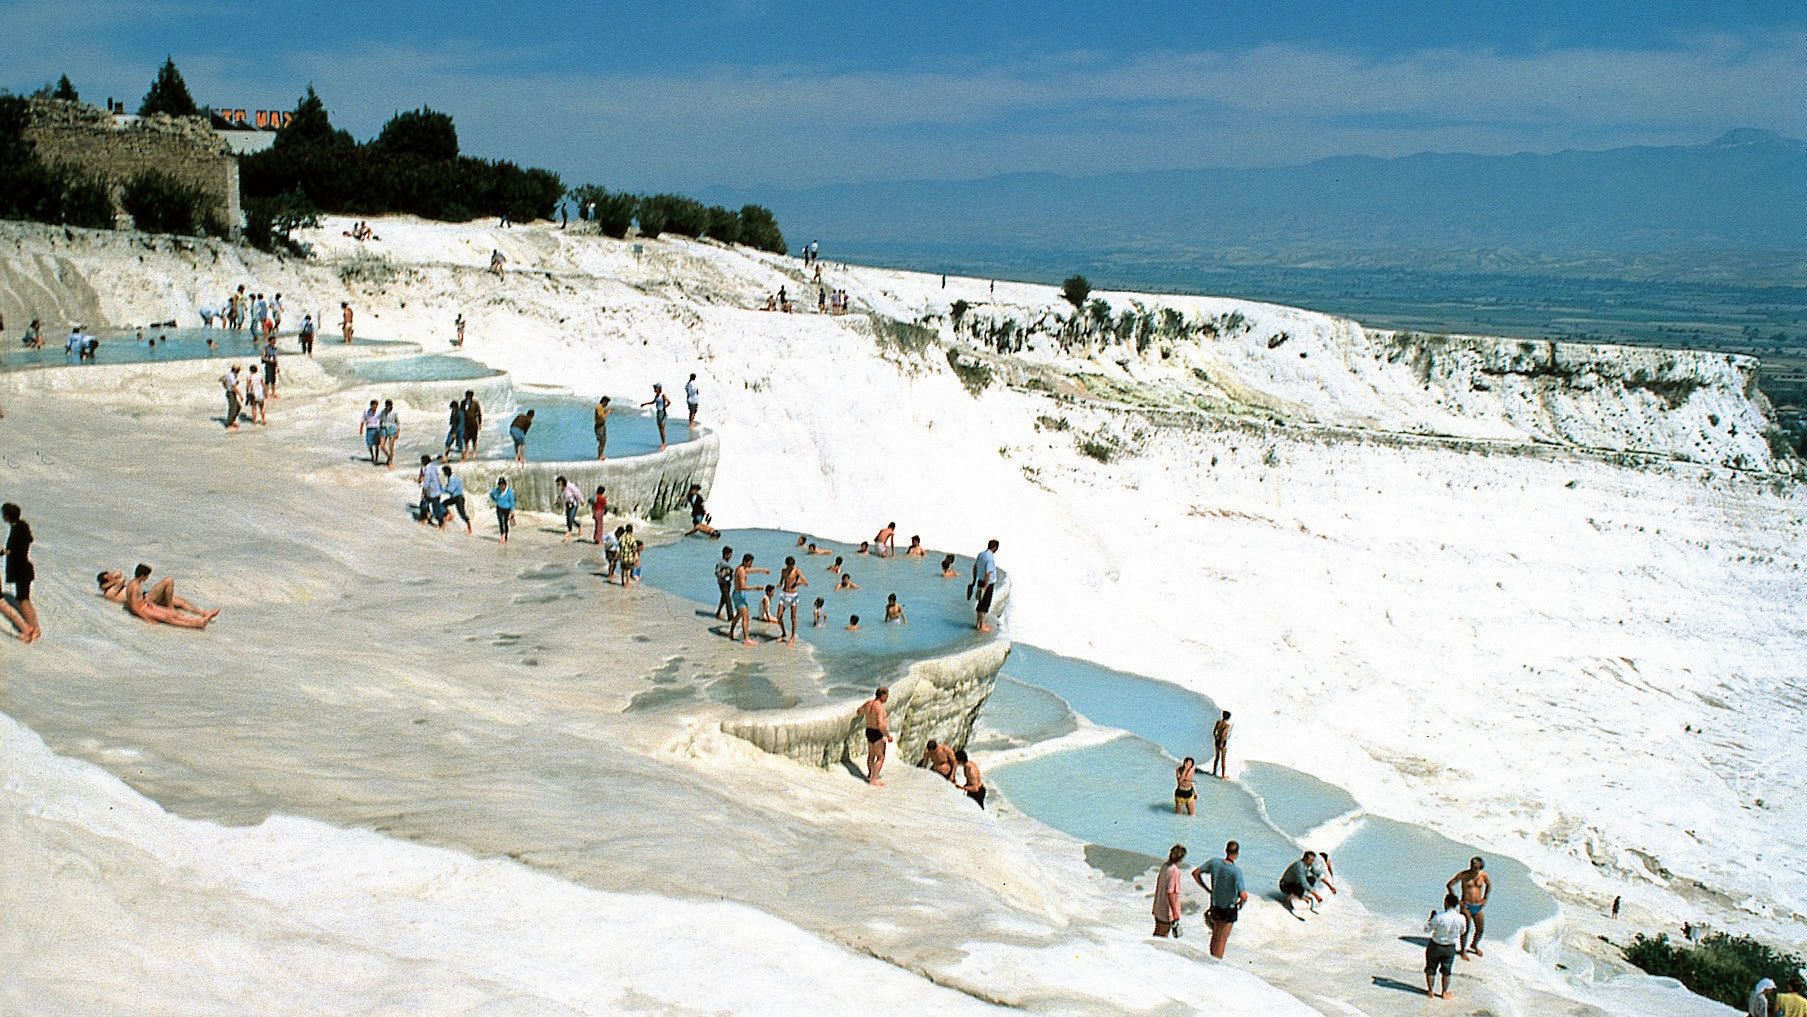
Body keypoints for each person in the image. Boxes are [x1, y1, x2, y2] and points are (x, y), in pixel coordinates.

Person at [1192, 841, 1249, 960]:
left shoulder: (1214, 863)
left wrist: (1207, 889)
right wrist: (1240, 904)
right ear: (1237, 854)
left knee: (1215, 936)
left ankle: (1210, 960)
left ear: (1226, 850)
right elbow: (1244, 896)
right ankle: (1216, 965)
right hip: (1229, 909)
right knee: (1222, 939)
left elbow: (1196, 873)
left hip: (1215, 906)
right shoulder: (1236, 872)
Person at [116, 563, 217, 629]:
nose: (148, 578)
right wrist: (146, 618)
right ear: (142, 575)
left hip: (145, 605)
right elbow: (134, 606)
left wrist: (151, 605)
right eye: (147, 576)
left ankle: (198, 620)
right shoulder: (133, 586)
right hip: (142, 609)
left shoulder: (136, 583)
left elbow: (138, 601)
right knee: (168, 617)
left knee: (171, 614)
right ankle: (197, 624)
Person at [1, 504, 41, 643]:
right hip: (24, 569)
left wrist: (6, 552)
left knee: (23, 600)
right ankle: (35, 628)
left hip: (21, 570)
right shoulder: (21, 527)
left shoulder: (18, 529)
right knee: (25, 599)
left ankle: (32, 629)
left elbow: (17, 550)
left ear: (7, 516)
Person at [1424, 893, 1469, 999]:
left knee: (1431, 968)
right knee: (1447, 971)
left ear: (1446, 903)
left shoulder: (1439, 917)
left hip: (1435, 945)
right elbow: (1463, 931)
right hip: (1450, 947)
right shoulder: (1461, 918)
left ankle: (1431, 991)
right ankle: (1444, 992)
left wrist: (1430, 919)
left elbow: (1427, 930)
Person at [1447, 857, 1492, 957]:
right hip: (1466, 905)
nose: (1472, 869)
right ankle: (1463, 950)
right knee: (1465, 929)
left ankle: (1474, 945)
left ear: (1480, 867)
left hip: (1478, 906)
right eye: (1471, 866)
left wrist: (1485, 898)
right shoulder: (1464, 875)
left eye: (1475, 868)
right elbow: (1450, 885)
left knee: (1480, 929)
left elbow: (1489, 885)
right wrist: (1456, 900)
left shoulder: (1483, 875)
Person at [728, 554, 769, 645]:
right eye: (750, 562)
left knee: (739, 615)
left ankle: (731, 632)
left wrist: (762, 570)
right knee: (745, 617)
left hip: (738, 595)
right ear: (746, 561)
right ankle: (746, 639)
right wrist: (756, 588)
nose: (751, 564)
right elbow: (742, 586)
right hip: (739, 595)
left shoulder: (741, 568)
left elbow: (751, 570)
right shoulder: (741, 571)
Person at [858, 688, 893, 785]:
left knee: (871, 756)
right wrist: (887, 735)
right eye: (887, 695)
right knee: (880, 757)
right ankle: (874, 779)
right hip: (877, 733)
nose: (887, 698)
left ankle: (871, 774)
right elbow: (880, 724)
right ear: (883, 695)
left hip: (869, 731)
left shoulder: (869, 703)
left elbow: (859, 711)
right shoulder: (880, 707)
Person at [1154, 845, 1188, 938]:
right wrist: (1175, 912)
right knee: (1163, 936)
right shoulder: (1174, 871)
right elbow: (1171, 892)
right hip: (1166, 909)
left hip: (1158, 905)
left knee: (1157, 932)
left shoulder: (1165, 866)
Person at [777, 555, 808, 644]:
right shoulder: (783, 571)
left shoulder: (797, 571)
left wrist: (798, 583)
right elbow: (781, 581)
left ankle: (792, 637)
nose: (790, 567)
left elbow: (805, 582)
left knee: (793, 617)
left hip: (793, 596)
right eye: (789, 566)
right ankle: (783, 633)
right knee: (779, 616)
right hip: (784, 594)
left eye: (791, 566)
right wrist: (779, 584)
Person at [1280, 851, 1318, 916]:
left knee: (1312, 879)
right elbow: (1303, 881)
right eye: (1310, 860)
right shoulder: (1299, 866)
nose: (1312, 862)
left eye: (1313, 860)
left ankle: (1299, 896)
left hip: (1294, 884)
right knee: (1303, 883)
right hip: (1285, 885)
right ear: (1305, 859)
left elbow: (1317, 872)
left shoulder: (1308, 864)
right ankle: (1287, 901)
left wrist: (1330, 886)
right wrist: (1315, 894)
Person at [973, 538, 1000, 632]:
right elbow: (988, 573)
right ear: (995, 548)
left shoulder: (981, 554)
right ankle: (982, 625)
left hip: (980, 581)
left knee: (980, 602)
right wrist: (985, 586)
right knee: (984, 604)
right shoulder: (990, 558)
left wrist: (973, 581)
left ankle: (978, 624)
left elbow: (975, 567)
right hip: (987, 583)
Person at [440, 466, 472, 533]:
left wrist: (441, 489)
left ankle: (469, 527)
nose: (443, 474)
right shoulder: (452, 478)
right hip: (456, 497)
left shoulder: (452, 478)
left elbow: (450, 490)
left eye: (444, 472)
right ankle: (449, 514)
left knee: (462, 513)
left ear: (447, 472)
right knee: (443, 503)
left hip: (458, 498)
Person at [642, 384, 670, 451]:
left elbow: (668, 402)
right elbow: (653, 402)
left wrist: (665, 407)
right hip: (658, 413)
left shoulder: (662, 395)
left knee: (662, 429)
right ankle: (664, 443)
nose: (654, 389)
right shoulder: (657, 396)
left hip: (662, 413)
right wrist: (645, 404)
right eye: (654, 388)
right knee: (661, 429)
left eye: (655, 388)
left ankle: (664, 444)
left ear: (659, 388)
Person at [418, 455, 446, 525]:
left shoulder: (427, 470)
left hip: (432, 492)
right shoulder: (433, 466)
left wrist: (423, 493)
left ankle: (439, 522)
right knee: (429, 505)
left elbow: (426, 483)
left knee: (426, 505)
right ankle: (428, 517)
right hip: (437, 490)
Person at [488, 477, 515, 544]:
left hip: (507, 509)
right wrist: (496, 500)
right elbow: (491, 494)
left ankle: (505, 536)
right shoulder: (497, 490)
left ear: (505, 485)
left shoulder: (509, 491)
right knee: (500, 522)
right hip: (499, 508)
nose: (501, 487)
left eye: (502, 485)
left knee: (505, 523)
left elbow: (512, 501)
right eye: (500, 485)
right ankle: (502, 536)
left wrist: (512, 511)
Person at [712, 546, 736, 620]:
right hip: (723, 583)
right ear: (726, 554)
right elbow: (717, 572)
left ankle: (718, 612)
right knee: (728, 599)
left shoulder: (726, 563)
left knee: (724, 598)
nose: (731, 556)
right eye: (730, 554)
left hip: (727, 582)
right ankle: (730, 615)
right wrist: (722, 576)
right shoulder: (721, 563)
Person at [557, 476, 584, 542]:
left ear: (562, 481)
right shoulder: (562, 488)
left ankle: (574, 529)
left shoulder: (570, 486)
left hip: (574, 504)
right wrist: (558, 501)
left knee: (571, 517)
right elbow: (561, 495)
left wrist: (581, 500)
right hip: (567, 504)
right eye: (558, 484)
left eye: (559, 483)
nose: (558, 485)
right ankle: (571, 530)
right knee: (568, 518)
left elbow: (577, 492)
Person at [459, 391, 483, 461]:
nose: (469, 397)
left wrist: (480, 423)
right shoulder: (463, 403)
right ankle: (467, 450)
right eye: (467, 395)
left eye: (470, 396)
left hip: (473, 423)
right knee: (466, 438)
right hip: (465, 424)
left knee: (474, 438)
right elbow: (460, 413)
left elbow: (479, 413)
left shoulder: (475, 403)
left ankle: (474, 451)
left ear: (472, 396)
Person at [377, 399, 400, 467]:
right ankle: (389, 457)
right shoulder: (383, 412)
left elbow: (398, 423)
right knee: (382, 446)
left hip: (392, 429)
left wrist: (397, 433)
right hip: (384, 428)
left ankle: (391, 461)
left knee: (391, 446)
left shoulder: (394, 413)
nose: (388, 407)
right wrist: (379, 431)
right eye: (387, 406)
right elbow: (380, 422)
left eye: (389, 406)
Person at [1211, 710, 1232, 779]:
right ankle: (1223, 775)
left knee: (1217, 757)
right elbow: (1223, 734)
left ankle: (1214, 772)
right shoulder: (1227, 725)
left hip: (1217, 740)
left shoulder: (1218, 722)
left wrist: (1216, 738)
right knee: (1223, 759)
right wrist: (1222, 743)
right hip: (1222, 742)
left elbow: (1214, 731)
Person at [221, 365, 243, 431]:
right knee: (233, 408)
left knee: (238, 407)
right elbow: (234, 387)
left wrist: (225, 386)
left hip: (230, 392)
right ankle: (229, 424)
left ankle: (232, 420)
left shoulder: (230, 374)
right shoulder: (232, 376)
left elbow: (222, 380)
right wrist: (240, 395)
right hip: (231, 393)